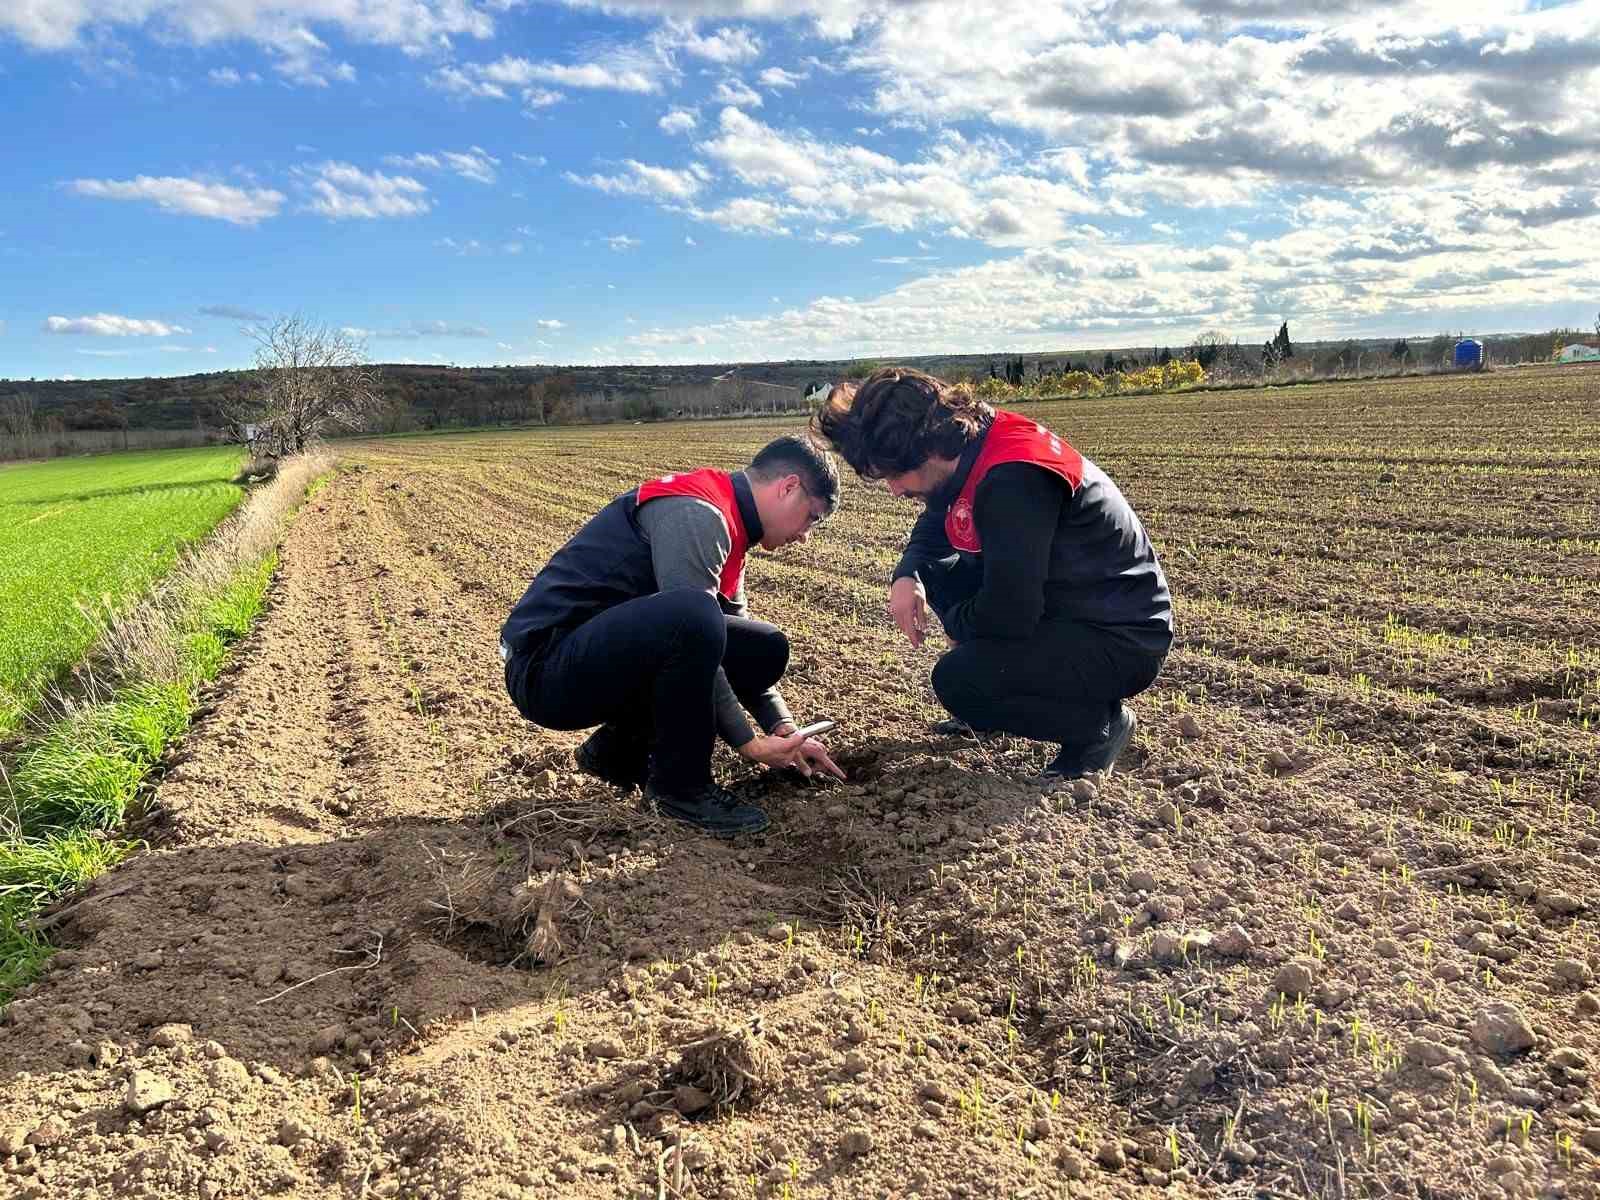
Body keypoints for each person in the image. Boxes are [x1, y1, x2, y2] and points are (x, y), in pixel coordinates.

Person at [813, 367, 1172, 778]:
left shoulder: (1012, 481)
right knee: (934, 572)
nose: (895, 490)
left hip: (1119, 638)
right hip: (1065, 603)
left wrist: (961, 631)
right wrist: (907, 574)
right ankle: (996, 694)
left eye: (895, 475)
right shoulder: (970, 443)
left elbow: (1010, 614)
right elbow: (935, 523)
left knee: (958, 681)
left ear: (928, 448)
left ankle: (1097, 728)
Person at [500, 436, 845, 837]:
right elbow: (694, 625)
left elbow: (727, 648)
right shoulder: (698, 515)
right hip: (545, 670)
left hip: (590, 658)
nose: (805, 535)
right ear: (788, 487)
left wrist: (783, 728)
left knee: (763, 647)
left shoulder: (731, 525)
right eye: (811, 518)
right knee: (694, 615)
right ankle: (681, 788)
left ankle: (617, 754)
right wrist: (749, 743)